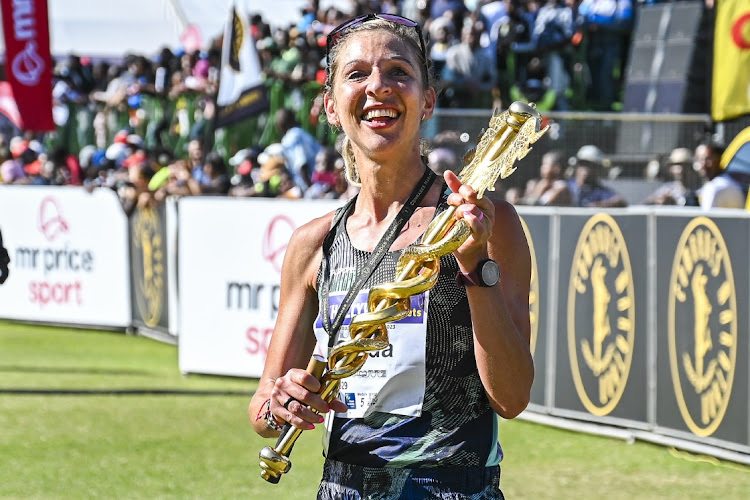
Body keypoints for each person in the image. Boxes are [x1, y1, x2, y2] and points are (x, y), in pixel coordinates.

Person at [249, 13, 533, 499]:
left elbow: (510, 398)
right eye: (357, 74)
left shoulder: (481, 220)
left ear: (427, 101)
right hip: (343, 486)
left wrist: (473, 266)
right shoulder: (313, 243)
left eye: (398, 72)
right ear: (332, 107)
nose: (378, 86)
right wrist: (283, 403)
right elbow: (262, 412)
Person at [694, 141, 745, 209]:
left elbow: (706, 218)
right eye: (699, 159)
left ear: (719, 159)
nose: (702, 164)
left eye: (708, 159)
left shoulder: (714, 188)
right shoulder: (732, 183)